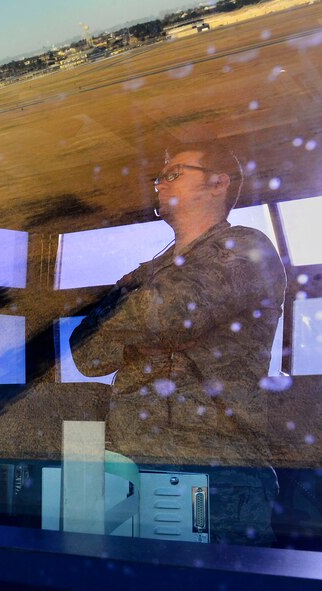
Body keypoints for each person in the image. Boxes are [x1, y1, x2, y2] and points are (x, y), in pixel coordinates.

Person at [69, 144, 286, 545]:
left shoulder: (243, 247)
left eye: (173, 174)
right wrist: (138, 323)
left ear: (218, 183)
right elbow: (87, 353)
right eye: (159, 177)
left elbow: (172, 315)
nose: (158, 183)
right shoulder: (151, 269)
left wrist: (126, 320)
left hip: (218, 470)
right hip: (134, 467)